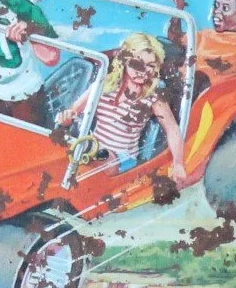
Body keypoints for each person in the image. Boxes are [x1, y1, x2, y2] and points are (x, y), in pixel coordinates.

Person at [58, 32, 187, 185]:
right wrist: (66, 119)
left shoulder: (153, 97)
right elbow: (73, 112)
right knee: (77, 152)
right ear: (125, 61)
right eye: (137, 64)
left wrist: (178, 163)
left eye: (151, 66)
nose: (143, 71)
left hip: (122, 159)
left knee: (96, 154)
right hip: (92, 147)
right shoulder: (104, 85)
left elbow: (172, 129)